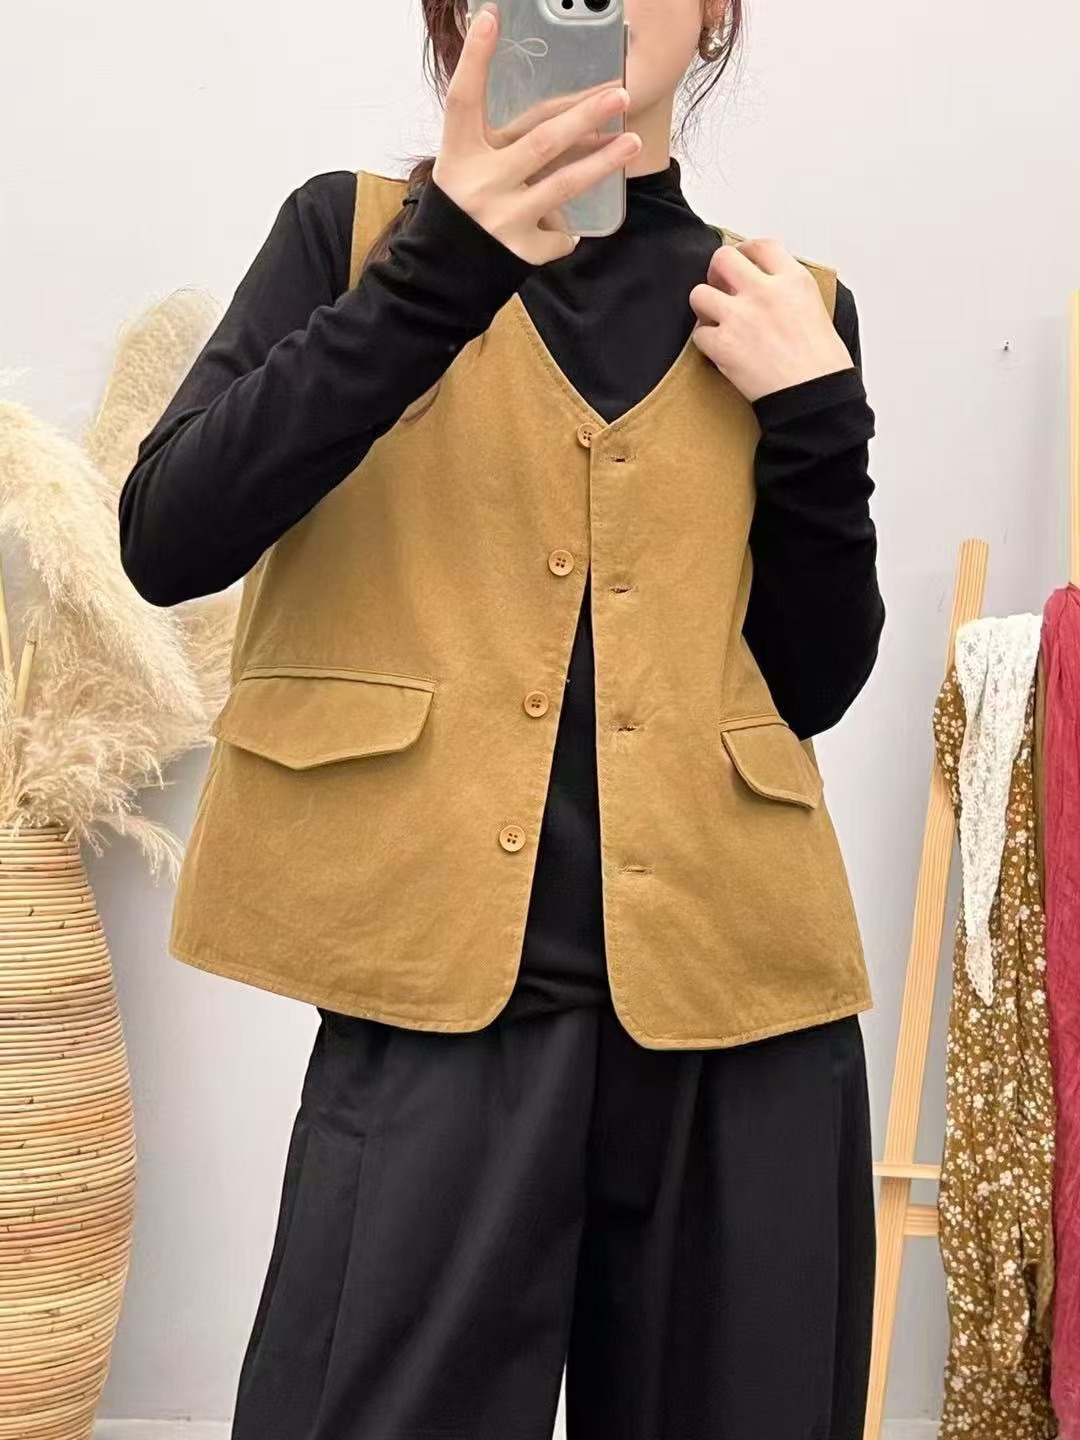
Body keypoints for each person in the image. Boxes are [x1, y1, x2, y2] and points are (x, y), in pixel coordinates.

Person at [118, 2, 885, 1436]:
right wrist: (445, 266)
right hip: (441, 998)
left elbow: (813, 687)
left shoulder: (788, 306)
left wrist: (819, 418)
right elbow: (168, 536)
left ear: (718, 9)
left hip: (742, 1003)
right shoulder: (355, 240)